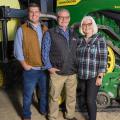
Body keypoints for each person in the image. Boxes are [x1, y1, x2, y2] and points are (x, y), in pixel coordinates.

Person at [42, 9, 79, 120]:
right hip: (57, 72)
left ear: (69, 19)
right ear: (57, 18)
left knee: (71, 96)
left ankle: (70, 115)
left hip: (72, 72)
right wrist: (48, 67)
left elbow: (76, 51)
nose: (64, 19)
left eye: (66, 17)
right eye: (61, 17)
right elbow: (45, 51)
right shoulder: (50, 33)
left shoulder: (74, 33)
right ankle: (52, 116)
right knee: (54, 96)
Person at [14, 3, 48, 120]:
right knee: (28, 95)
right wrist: (25, 65)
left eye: (36, 12)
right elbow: (17, 49)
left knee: (44, 93)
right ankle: (26, 115)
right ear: (28, 13)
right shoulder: (22, 29)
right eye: (31, 12)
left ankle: (43, 110)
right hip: (30, 70)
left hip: (44, 69)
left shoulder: (45, 28)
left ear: (39, 13)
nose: (34, 14)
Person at [77, 16, 108, 120]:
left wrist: (100, 76)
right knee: (86, 98)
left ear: (93, 25)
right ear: (82, 27)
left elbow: (103, 58)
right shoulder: (80, 40)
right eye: (84, 25)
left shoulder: (100, 38)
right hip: (81, 75)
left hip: (93, 75)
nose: (86, 27)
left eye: (89, 24)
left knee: (90, 100)